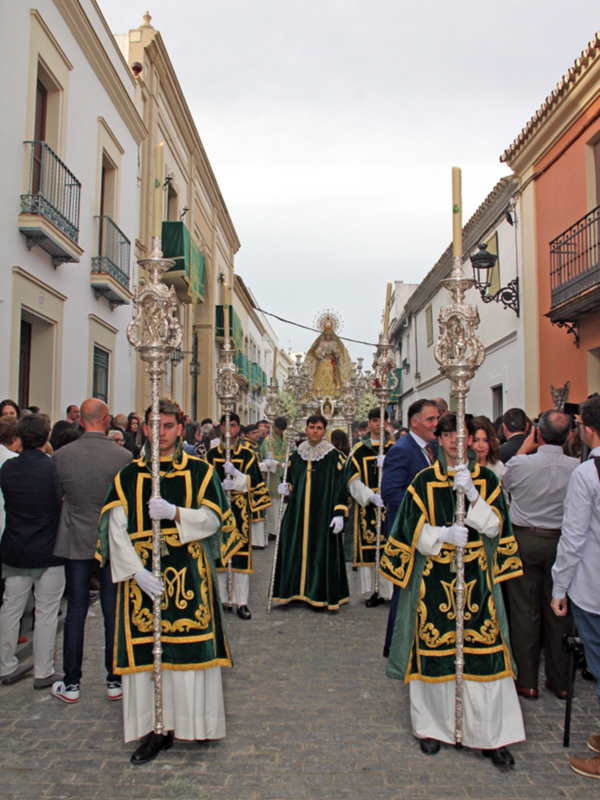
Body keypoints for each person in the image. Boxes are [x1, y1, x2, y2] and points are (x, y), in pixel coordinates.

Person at [96, 399, 242, 764]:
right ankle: (155, 727)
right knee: (149, 655)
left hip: (190, 576)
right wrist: (137, 572)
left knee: (190, 652)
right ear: (144, 428)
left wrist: (176, 513)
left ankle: (197, 723)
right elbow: (116, 530)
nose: (160, 433)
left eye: (168, 426)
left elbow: (214, 520)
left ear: (180, 429)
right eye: (153, 425)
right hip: (143, 583)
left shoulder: (200, 472)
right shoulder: (128, 476)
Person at [380, 413, 525, 765]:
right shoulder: (423, 482)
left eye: (460, 435)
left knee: (485, 654)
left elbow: (496, 528)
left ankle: (492, 736)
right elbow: (406, 531)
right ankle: (432, 728)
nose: (453, 442)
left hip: (476, 581)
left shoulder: (487, 480)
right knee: (433, 653)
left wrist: (474, 498)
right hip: (434, 580)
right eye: (446, 435)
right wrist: (440, 535)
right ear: (438, 440)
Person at [50, 398, 132, 704]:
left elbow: (58, 494)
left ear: (81, 421)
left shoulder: (61, 455)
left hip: (75, 537)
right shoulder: (123, 455)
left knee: (76, 611)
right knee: (112, 611)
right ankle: (114, 679)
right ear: (107, 419)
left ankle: (71, 683)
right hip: (110, 539)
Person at [500, 410, 578, 701]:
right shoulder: (577, 467)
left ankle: (527, 680)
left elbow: (502, 484)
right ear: (569, 435)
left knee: (524, 613)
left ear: (538, 433)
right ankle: (560, 680)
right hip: (560, 540)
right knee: (559, 612)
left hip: (525, 538)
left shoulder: (521, 463)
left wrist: (525, 447)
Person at [552, 396, 600, 778]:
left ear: (586, 427)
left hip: (594, 588)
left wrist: (559, 587)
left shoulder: (588, 474)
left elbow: (574, 537)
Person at [0, 414, 65, 687]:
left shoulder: (7, 469)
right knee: (46, 612)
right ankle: (43, 670)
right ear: (46, 438)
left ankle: (5, 665)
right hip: (48, 548)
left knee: (10, 608)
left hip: (15, 547)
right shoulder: (53, 469)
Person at [381, 398, 440, 656]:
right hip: (406, 532)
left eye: (436, 419)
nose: (435, 424)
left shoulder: (433, 448)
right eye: (430, 419)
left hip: (426, 533)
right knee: (403, 591)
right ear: (414, 422)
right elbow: (390, 492)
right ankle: (395, 644)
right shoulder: (402, 449)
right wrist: (426, 504)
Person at [272, 415, 349, 610]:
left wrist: (339, 513)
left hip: (322, 515)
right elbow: (289, 479)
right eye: (312, 427)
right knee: (293, 550)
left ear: (325, 431)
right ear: (306, 429)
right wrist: (286, 487)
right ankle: (294, 592)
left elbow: (341, 487)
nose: (315, 431)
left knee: (320, 553)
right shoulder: (295, 455)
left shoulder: (334, 457)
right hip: (297, 515)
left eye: (319, 428)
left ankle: (318, 595)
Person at [206, 413, 270, 620]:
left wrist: (237, 478)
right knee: (220, 555)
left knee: (241, 557)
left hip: (240, 512)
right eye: (225, 426)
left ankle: (241, 601)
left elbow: (256, 483)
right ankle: (222, 599)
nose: (228, 430)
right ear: (220, 429)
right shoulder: (211, 455)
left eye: (232, 426)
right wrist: (219, 485)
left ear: (238, 429)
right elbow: (204, 484)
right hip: (218, 511)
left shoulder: (248, 455)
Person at [345, 408, 394, 605]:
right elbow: (351, 479)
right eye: (375, 421)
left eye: (382, 420)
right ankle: (374, 590)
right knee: (370, 546)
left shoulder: (394, 449)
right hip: (367, 505)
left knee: (389, 546)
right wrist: (369, 495)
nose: (379, 424)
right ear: (369, 423)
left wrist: (390, 463)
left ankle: (390, 590)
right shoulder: (359, 450)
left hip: (390, 503)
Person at [259, 417, 288, 542]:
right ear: (274, 427)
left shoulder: (285, 438)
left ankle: (282, 528)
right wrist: (279, 464)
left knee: (283, 503)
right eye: (279, 429)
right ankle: (273, 531)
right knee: (273, 505)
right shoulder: (268, 440)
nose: (280, 432)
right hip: (273, 475)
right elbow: (267, 458)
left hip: (284, 474)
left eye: (283, 430)